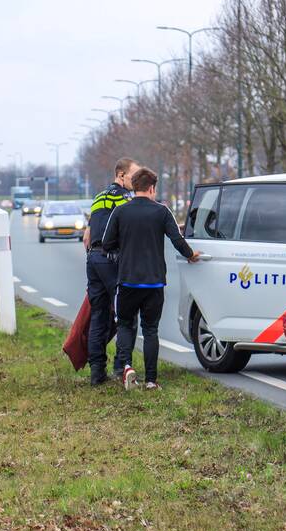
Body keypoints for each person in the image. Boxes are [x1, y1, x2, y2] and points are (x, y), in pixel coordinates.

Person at [102, 167, 201, 390]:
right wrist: (191, 255)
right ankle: (151, 380)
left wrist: (124, 248)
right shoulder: (162, 212)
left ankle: (127, 367)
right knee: (150, 330)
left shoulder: (120, 212)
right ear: (152, 188)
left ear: (135, 186)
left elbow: (107, 243)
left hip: (127, 280)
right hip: (154, 281)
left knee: (126, 325)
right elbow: (177, 239)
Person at [83, 157, 138, 386]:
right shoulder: (123, 198)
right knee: (127, 315)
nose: (135, 181)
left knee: (99, 316)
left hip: (93, 260)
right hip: (112, 260)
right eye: (133, 176)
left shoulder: (98, 198)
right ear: (121, 175)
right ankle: (121, 366)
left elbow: (88, 235)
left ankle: (97, 372)